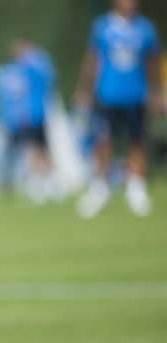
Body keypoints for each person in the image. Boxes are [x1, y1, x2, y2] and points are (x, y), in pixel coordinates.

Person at [76, 0, 163, 218]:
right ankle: (100, 187)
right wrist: (85, 89)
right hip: (108, 95)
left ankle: (136, 188)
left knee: (137, 141)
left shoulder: (146, 29)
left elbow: (153, 63)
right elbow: (92, 59)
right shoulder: (102, 27)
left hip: (135, 96)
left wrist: (158, 93)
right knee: (103, 140)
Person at [0, 40, 60, 204]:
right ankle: (44, 182)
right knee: (36, 150)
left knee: (37, 150)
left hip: (32, 116)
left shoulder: (31, 67)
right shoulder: (23, 69)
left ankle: (44, 182)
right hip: (29, 116)